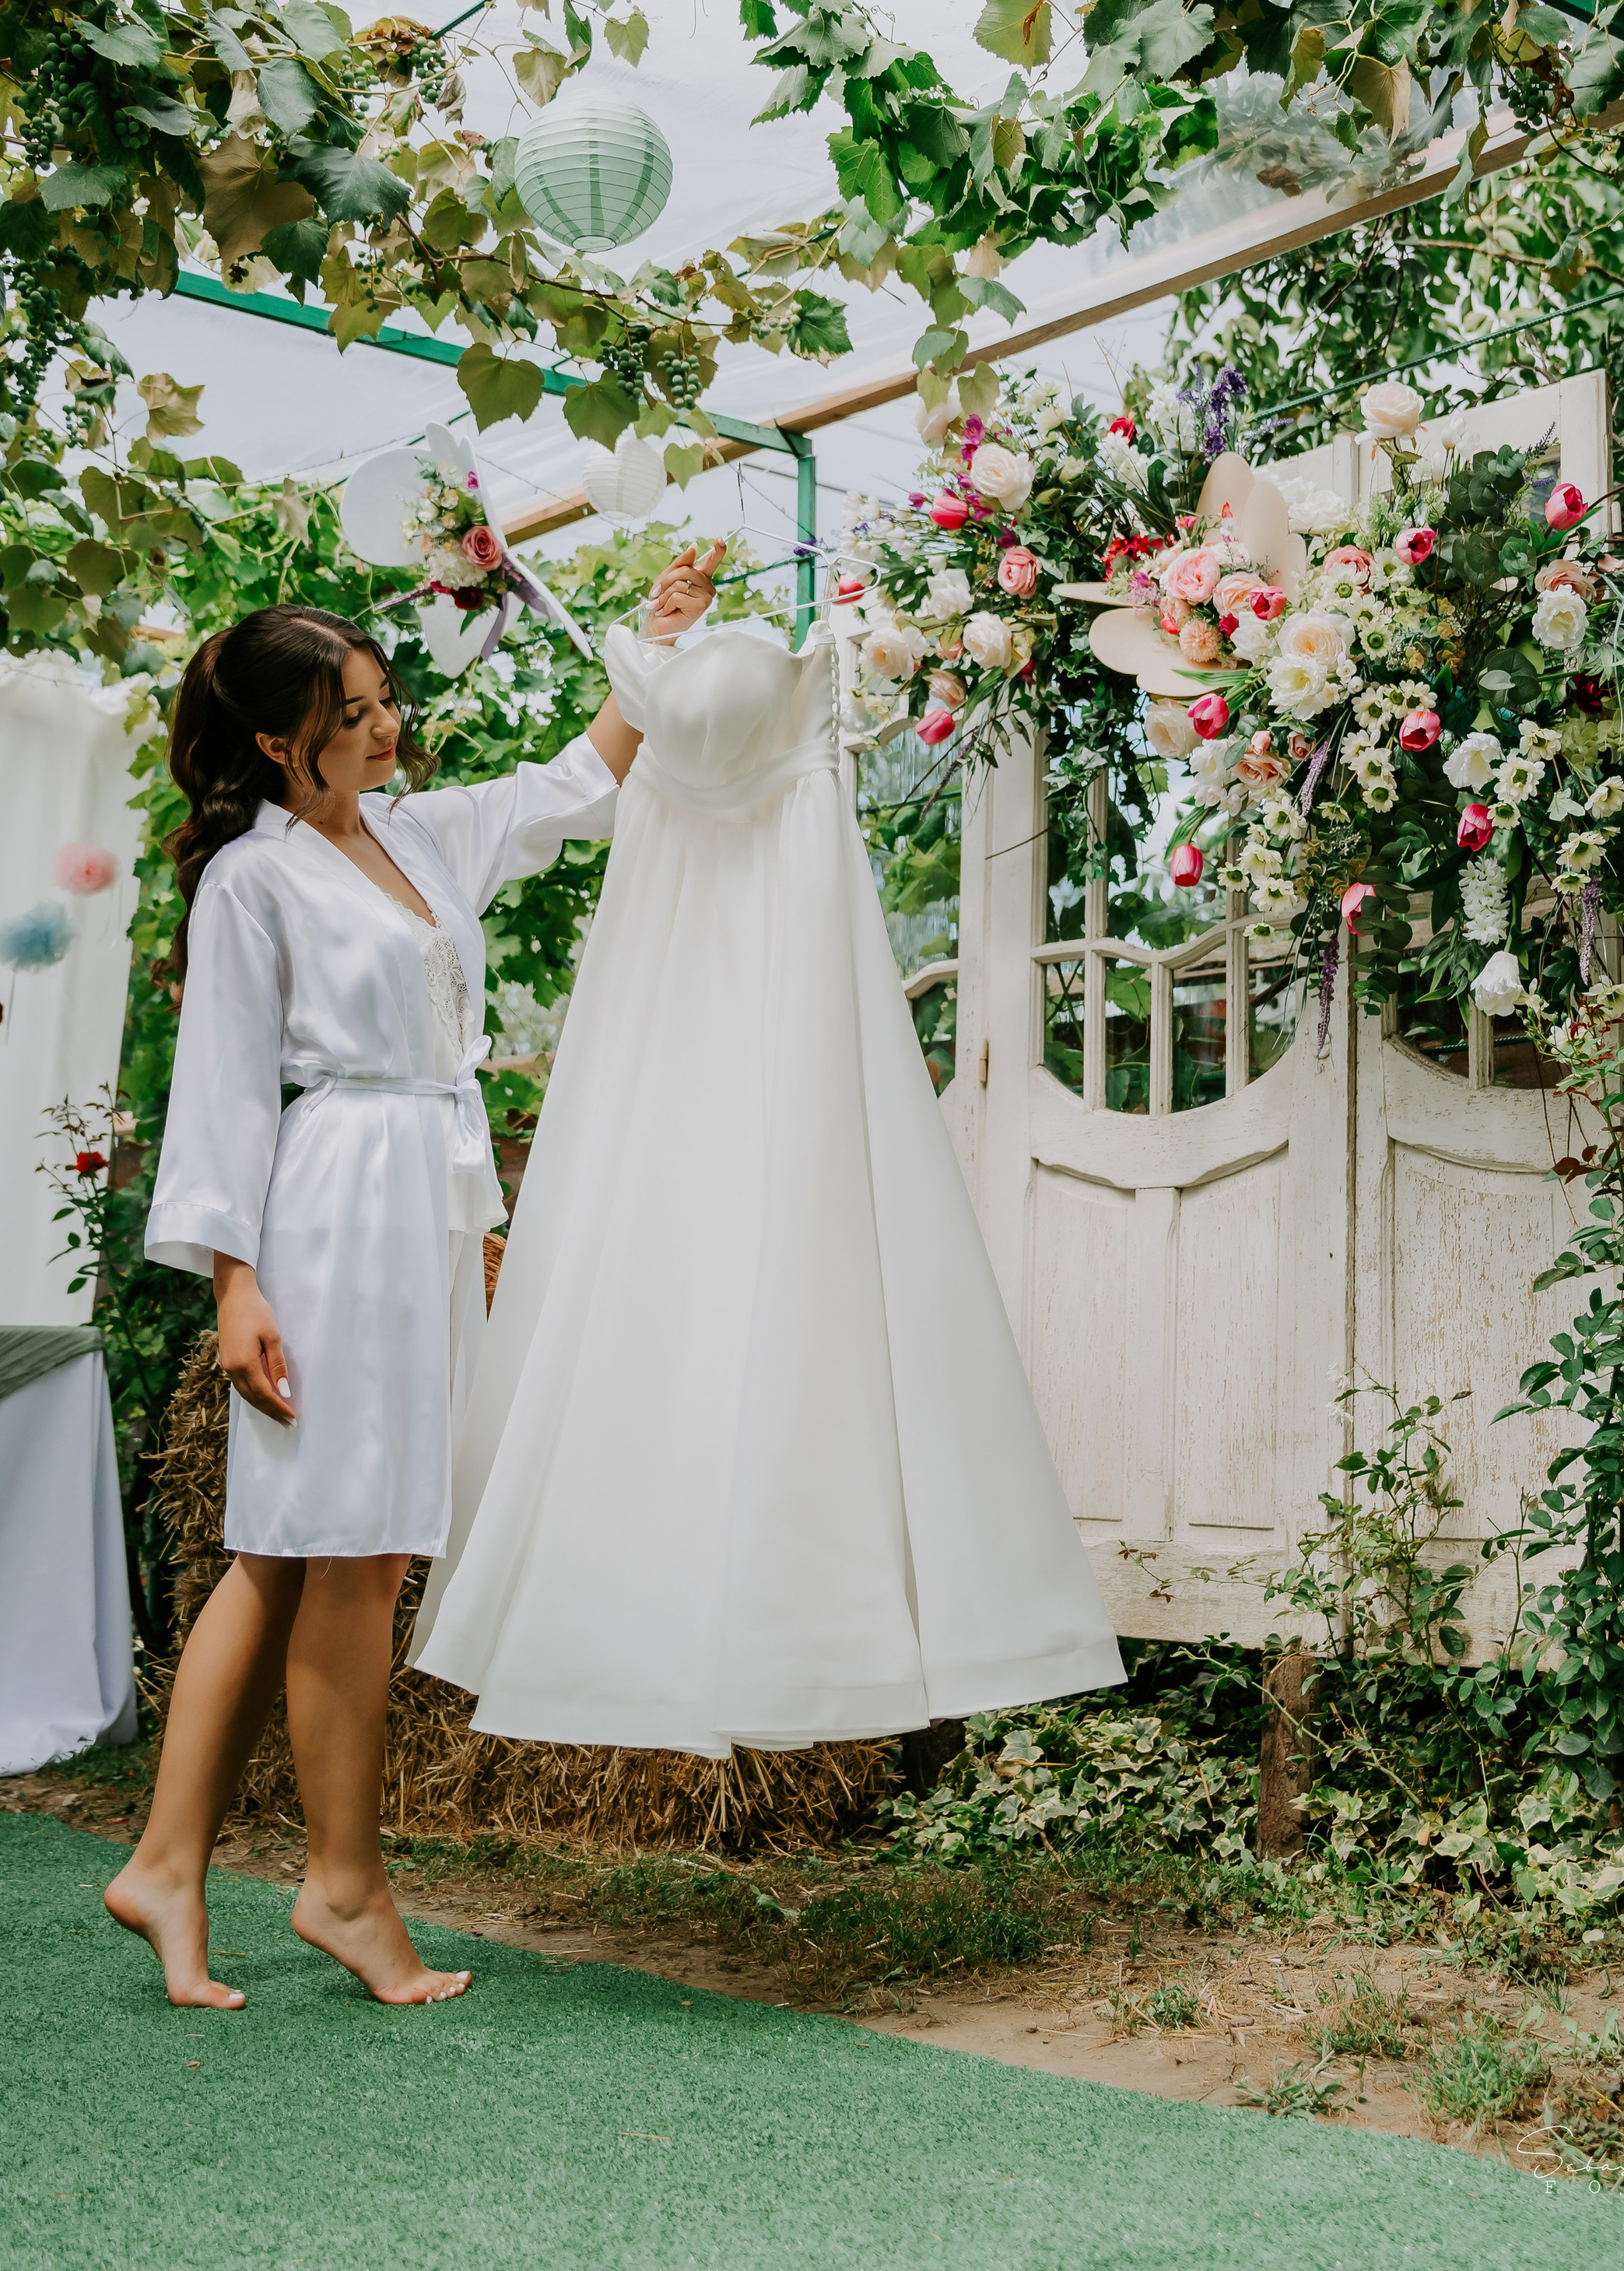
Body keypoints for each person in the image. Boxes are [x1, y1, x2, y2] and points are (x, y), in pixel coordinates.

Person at [106, 552, 721, 2010]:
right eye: (356, 713)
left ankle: (168, 1866)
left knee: (294, 1552)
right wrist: (233, 1284)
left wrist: (657, 639)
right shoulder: (257, 882)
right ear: (277, 741)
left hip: (419, 1208)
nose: (390, 731)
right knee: (349, 1552)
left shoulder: (424, 839)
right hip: (325, 1215)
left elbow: (578, 783)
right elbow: (226, 1090)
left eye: (389, 702)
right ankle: (345, 1889)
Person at [410, 603, 1124, 1752]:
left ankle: (641, 1620)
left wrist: (648, 645)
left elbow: (584, 776)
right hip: (789, 987)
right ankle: (842, 1627)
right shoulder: (797, 700)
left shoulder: (628, 718)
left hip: (666, 1012)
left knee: (655, 1268)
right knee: (814, 1255)